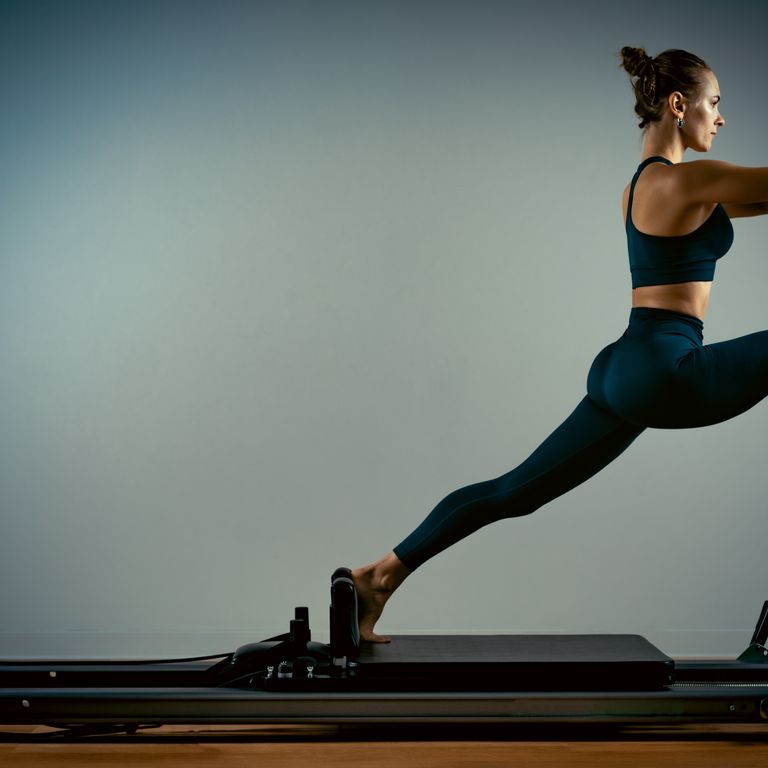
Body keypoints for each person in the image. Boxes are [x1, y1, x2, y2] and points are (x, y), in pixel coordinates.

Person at [352, 47, 768, 643]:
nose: (721, 117)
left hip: (622, 368)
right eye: (715, 102)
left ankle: (381, 574)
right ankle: (381, 575)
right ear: (680, 105)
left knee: (513, 492)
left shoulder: (639, 189)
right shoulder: (694, 179)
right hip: (668, 369)